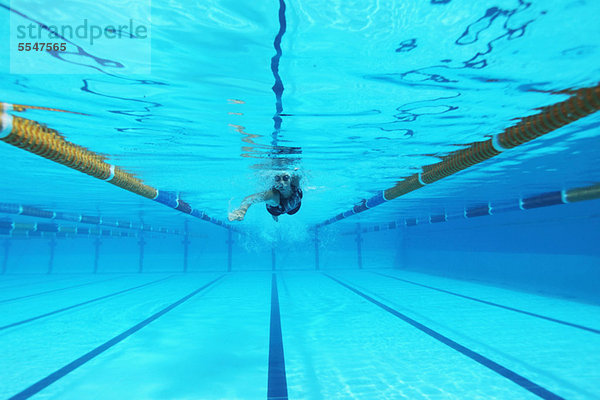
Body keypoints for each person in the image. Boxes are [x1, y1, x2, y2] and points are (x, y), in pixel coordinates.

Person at [228, 171, 302, 222]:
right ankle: (274, 215)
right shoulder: (273, 195)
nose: (281, 183)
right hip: (276, 209)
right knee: (275, 206)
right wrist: (242, 211)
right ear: (274, 181)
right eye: (277, 179)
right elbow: (250, 199)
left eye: (285, 178)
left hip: (295, 206)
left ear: (290, 179)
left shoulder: (295, 182)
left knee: (291, 212)